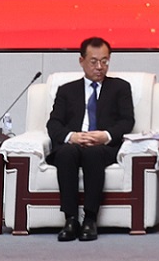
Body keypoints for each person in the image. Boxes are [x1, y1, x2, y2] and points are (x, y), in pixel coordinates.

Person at [46, 37, 134, 241]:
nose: (99, 67)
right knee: (66, 153)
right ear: (81, 61)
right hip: (74, 143)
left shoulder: (120, 88)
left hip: (103, 147)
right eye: (94, 62)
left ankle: (90, 219)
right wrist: (72, 136)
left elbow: (127, 121)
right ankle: (70, 220)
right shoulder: (67, 90)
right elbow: (54, 123)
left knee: (93, 154)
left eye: (104, 61)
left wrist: (105, 136)